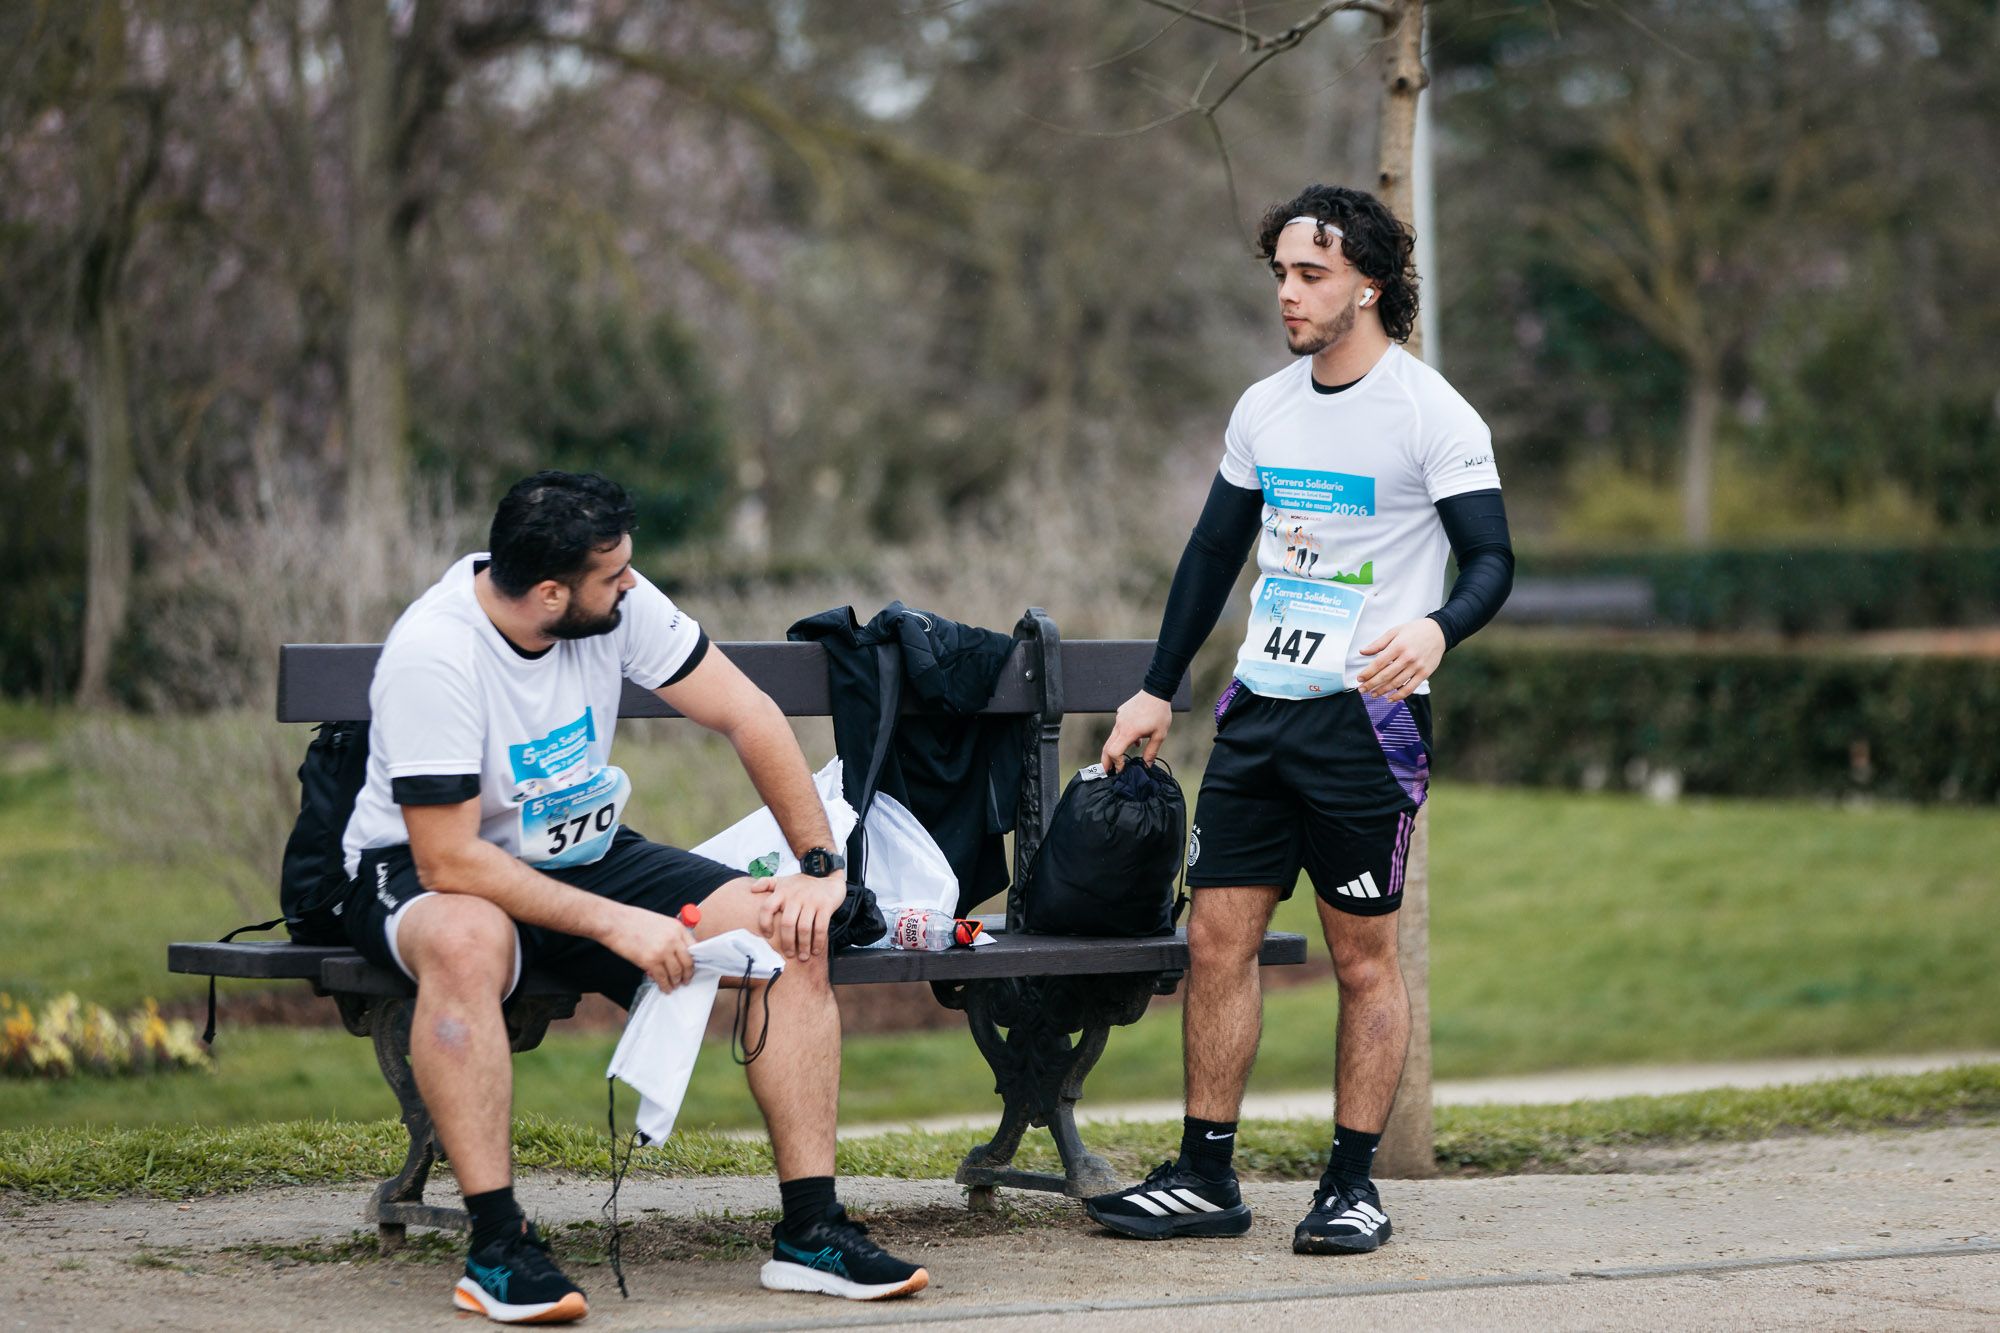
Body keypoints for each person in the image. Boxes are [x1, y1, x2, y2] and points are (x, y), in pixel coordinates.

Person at [341, 471, 929, 1323]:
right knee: (469, 940)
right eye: (612, 577)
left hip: (580, 852)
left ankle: (813, 1231)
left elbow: (747, 712)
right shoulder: (436, 654)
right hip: (429, 871)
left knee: (789, 930)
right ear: (550, 592)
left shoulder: (614, 600)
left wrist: (816, 860)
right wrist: (619, 924)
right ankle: (498, 1247)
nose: (631, 586)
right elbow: (449, 858)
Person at [1085, 186, 1514, 1255]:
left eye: (1308, 274)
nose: (1286, 292)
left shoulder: (1430, 413)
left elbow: (1493, 559)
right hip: (1259, 716)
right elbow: (1210, 553)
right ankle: (1203, 1173)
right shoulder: (1262, 408)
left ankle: (1351, 1182)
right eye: (1278, 272)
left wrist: (1437, 630)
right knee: (1214, 938)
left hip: (1366, 726)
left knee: (1361, 956)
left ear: (1365, 283)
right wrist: (1155, 684)